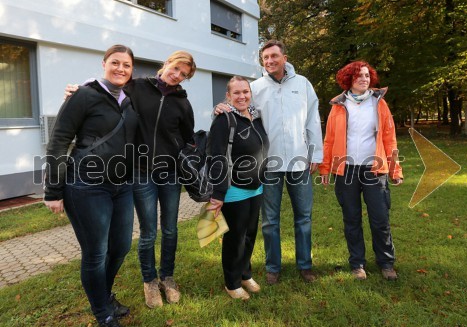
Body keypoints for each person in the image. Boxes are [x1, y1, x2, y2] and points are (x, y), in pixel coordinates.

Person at [65, 51, 197, 308]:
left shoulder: (183, 102)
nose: (177, 75)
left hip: (170, 174)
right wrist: (79, 91)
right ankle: (149, 281)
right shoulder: (136, 87)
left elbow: (188, 138)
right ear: (166, 62)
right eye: (176, 68)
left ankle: (167, 277)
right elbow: (105, 89)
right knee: (148, 232)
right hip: (139, 171)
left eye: (184, 74)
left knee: (170, 229)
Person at [44, 44, 138, 327]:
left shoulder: (130, 100)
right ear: (104, 63)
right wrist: (53, 190)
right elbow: (59, 140)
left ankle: (104, 296)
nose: (121, 69)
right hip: (85, 186)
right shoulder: (84, 95)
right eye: (116, 63)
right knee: (96, 253)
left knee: (120, 247)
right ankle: (104, 316)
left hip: (121, 186)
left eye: (127, 65)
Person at [215, 40, 323, 284]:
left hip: (299, 162)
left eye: (274, 56)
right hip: (267, 165)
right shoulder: (256, 87)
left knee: (303, 217)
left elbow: (312, 120)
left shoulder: (302, 84)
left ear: (285, 57)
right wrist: (221, 107)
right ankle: (273, 267)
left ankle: (305, 265)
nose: (270, 61)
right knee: (270, 220)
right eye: (265, 58)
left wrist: (315, 154)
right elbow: (240, 110)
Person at [319, 61, 403, 281]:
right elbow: (329, 140)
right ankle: (357, 264)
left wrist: (395, 169)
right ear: (349, 80)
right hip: (346, 171)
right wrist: (325, 167)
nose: (364, 79)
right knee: (352, 219)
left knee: (380, 218)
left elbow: (389, 138)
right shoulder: (338, 105)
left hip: (374, 170)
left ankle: (386, 263)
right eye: (358, 76)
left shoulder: (379, 104)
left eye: (367, 75)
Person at [207, 76, 269, 300]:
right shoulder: (224, 120)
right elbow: (217, 157)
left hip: (257, 187)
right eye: (236, 93)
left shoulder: (256, 117)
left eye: (245, 92)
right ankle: (232, 283)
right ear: (228, 96)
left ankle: (245, 274)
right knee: (236, 238)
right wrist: (218, 193)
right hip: (234, 189)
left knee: (250, 234)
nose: (242, 96)